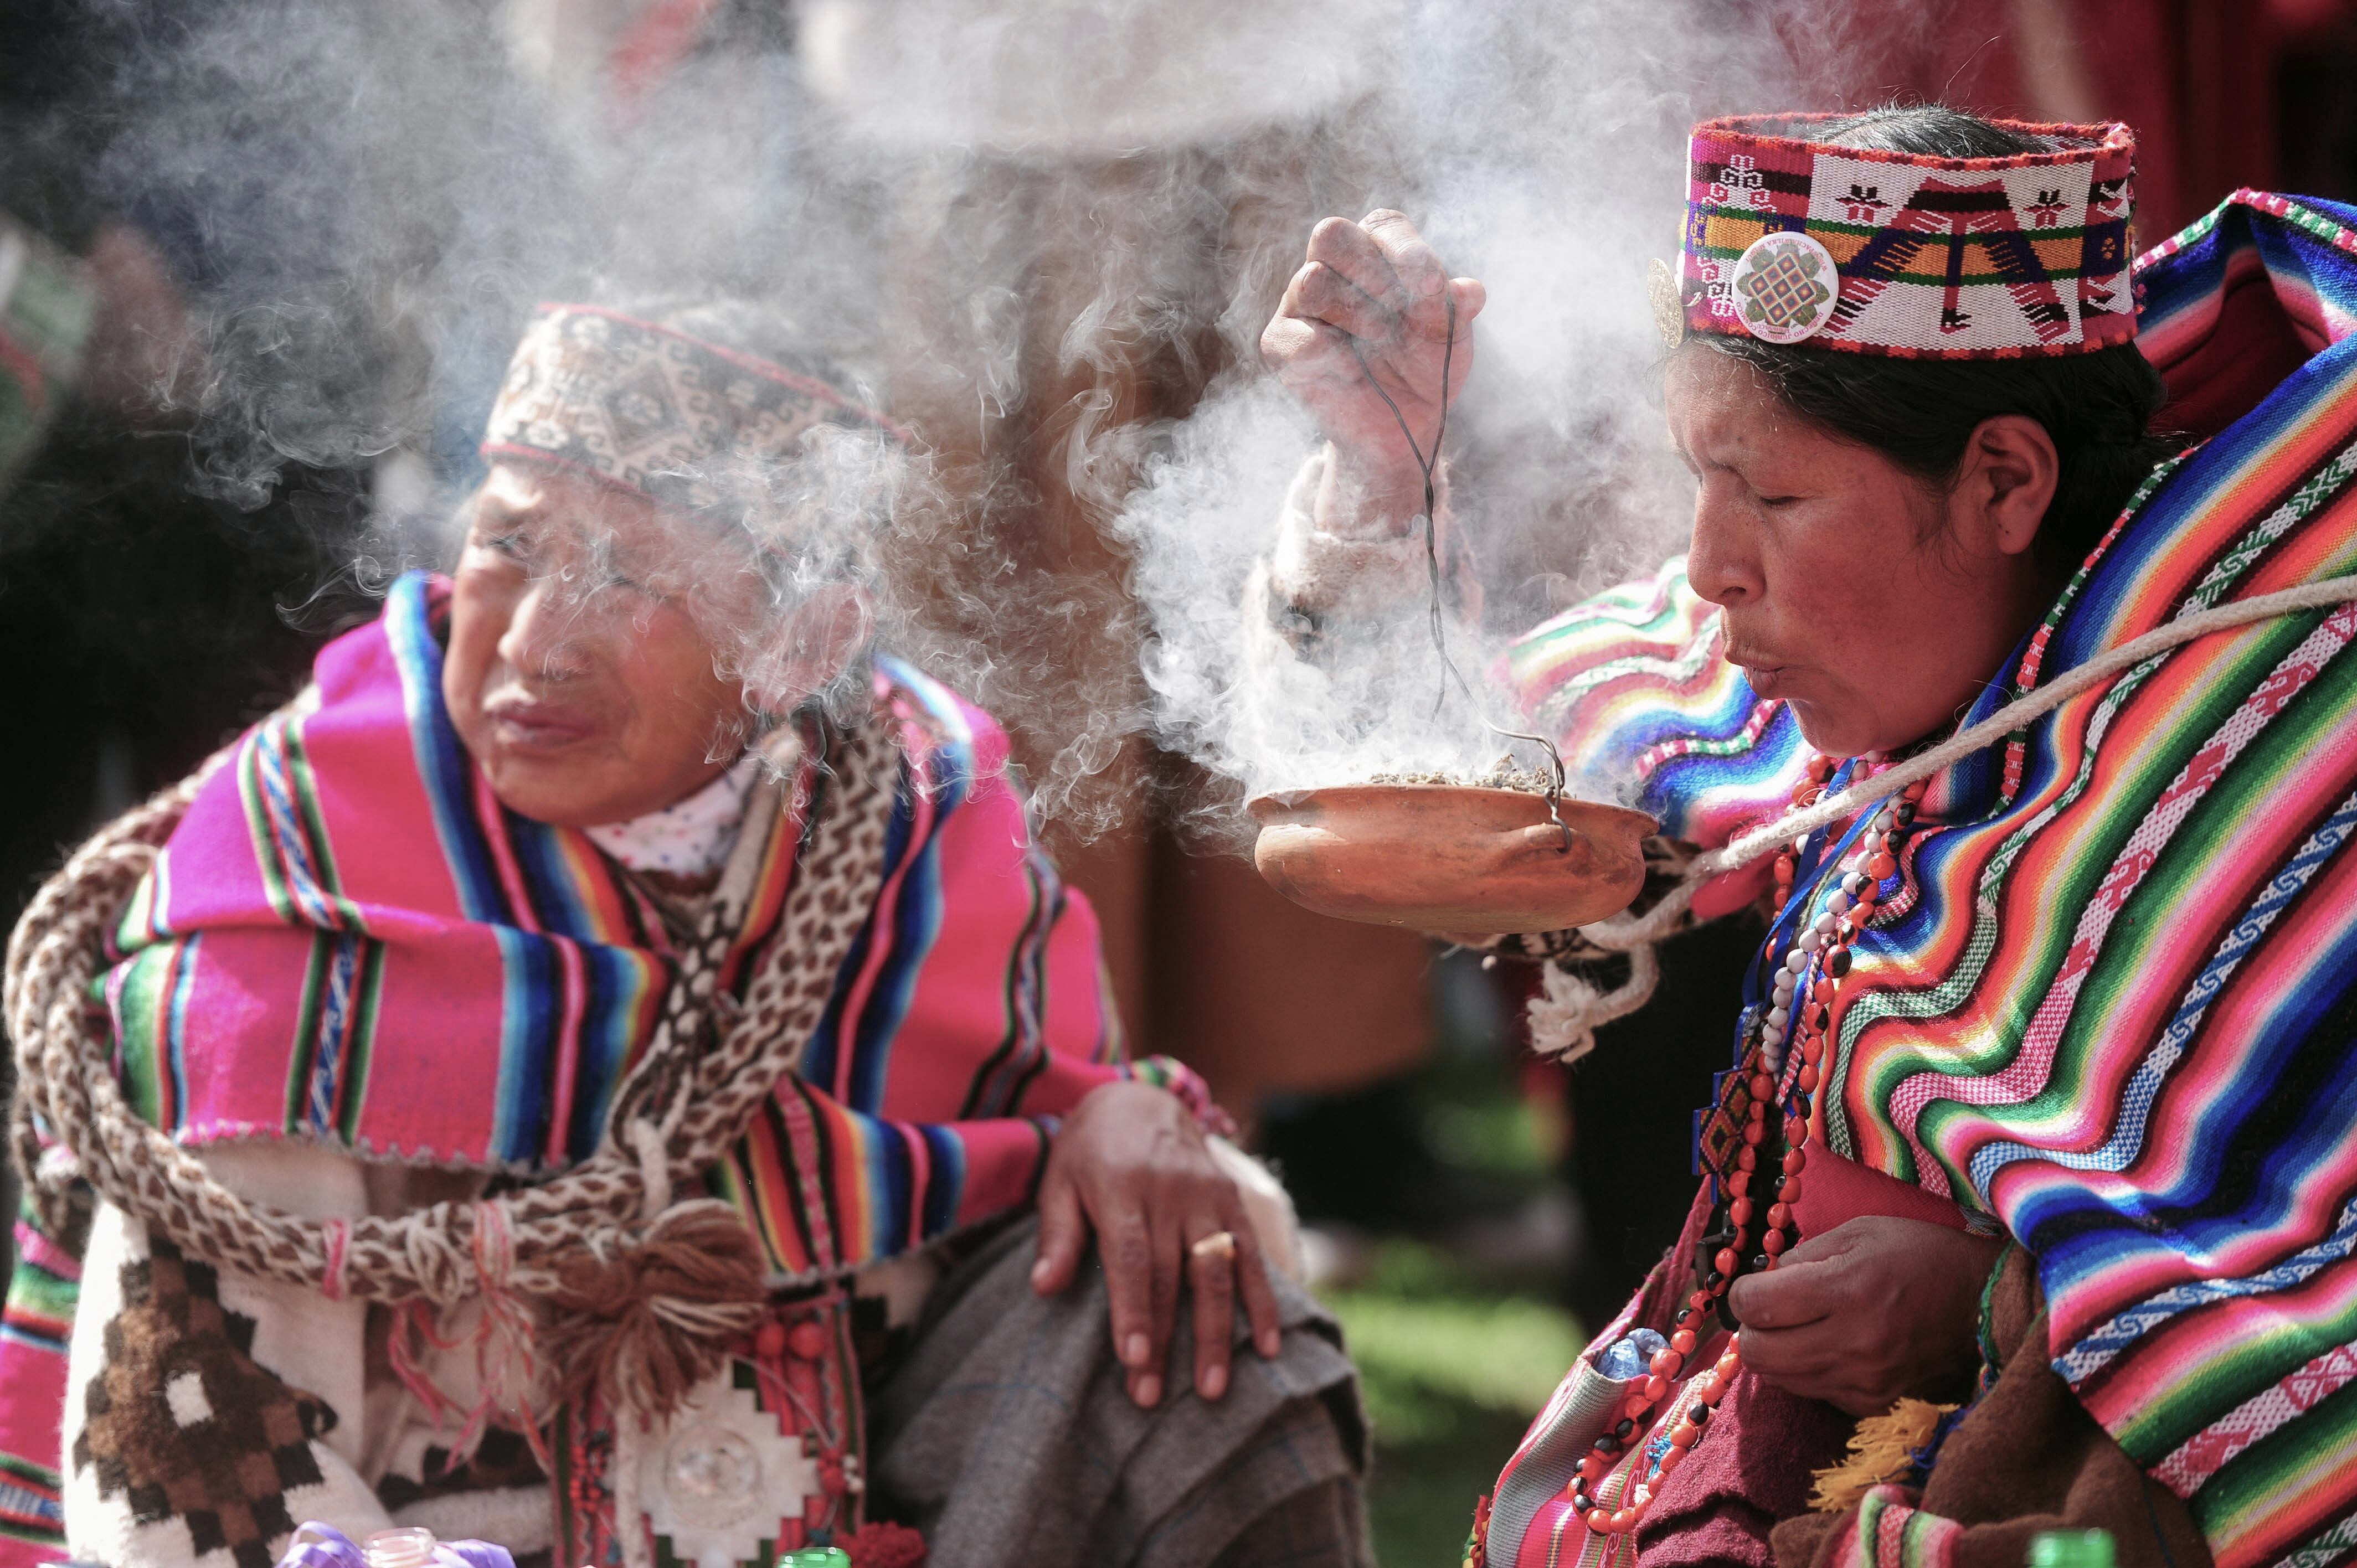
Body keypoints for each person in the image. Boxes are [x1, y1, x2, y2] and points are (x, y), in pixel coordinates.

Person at [2, 302, 1369, 1568]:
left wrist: (1122, 1126)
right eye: (509, 547)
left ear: (799, 641)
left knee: (1207, 1309)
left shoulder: (923, 830)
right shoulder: (303, 875)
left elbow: (1038, 1189)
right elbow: (181, 1458)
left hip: (863, 1526)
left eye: (628, 579)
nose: (536, 644)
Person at [1251, 105, 2357, 1567]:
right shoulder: (1882, 644)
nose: (1710, 568)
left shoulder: (2284, 711)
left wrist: (1988, 1302)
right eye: (1699, 479)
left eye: (1769, 494)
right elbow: (1446, 788)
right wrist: (1376, 485)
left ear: (2008, 484)